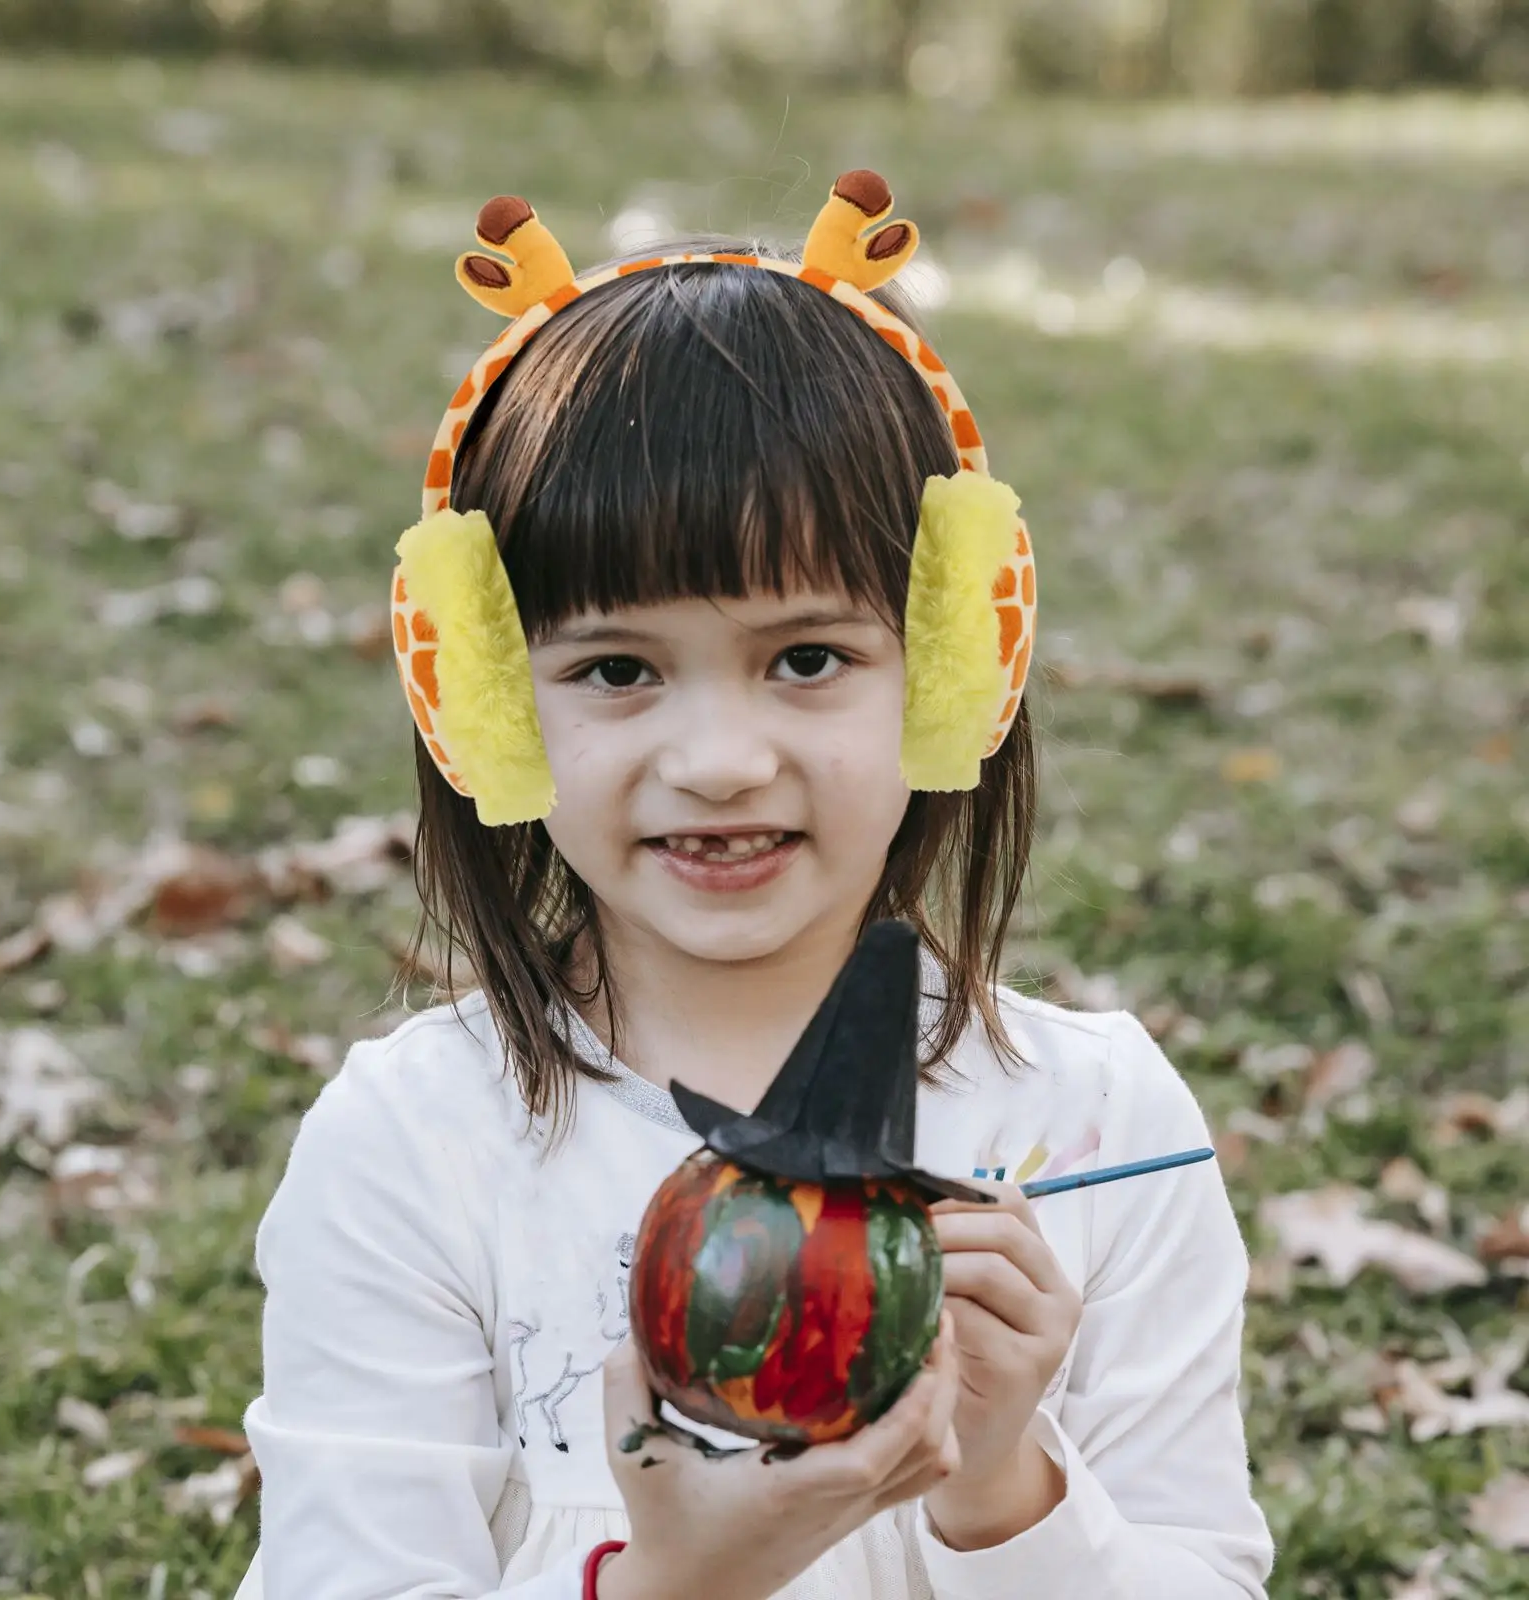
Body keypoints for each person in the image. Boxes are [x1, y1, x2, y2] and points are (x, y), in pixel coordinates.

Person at [235, 172, 1274, 1600]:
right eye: (616, 669)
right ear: (485, 703)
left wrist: (1006, 1488)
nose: (719, 761)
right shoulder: (410, 1158)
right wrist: (676, 1582)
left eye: (807, 658)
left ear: (954, 668)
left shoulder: (1100, 1124)